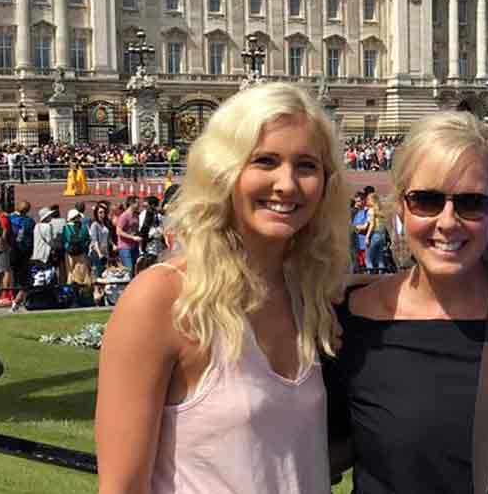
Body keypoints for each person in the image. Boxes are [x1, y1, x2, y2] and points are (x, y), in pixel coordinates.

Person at [95, 82, 351, 493]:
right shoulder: (161, 299)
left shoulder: (309, 293)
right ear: (223, 172)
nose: (287, 184)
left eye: (306, 166)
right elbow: (122, 487)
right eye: (265, 161)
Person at [327, 111, 488, 494]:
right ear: (400, 206)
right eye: (426, 200)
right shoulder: (347, 321)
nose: (447, 221)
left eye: (471, 203)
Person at [362, 192, 393, 273]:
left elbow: (372, 225)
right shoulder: (380, 211)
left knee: (368, 259)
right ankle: (381, 278)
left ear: (372, 200)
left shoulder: (371, 210)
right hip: (382, 235)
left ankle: (370, 278)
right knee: (380, 260)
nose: (366, 201)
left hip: (374, 235)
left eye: (368, 199)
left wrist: (367, 237)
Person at [114, 196, 141, 276]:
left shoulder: (136, 215)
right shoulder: (124, 216)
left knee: (135, 270)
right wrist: (132, 237)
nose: (139, 205)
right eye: (137, 203)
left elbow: (136, 230)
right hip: (125, 247)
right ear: (131, 204)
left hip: (134, 246)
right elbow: (118, 231)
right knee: (129, 269)